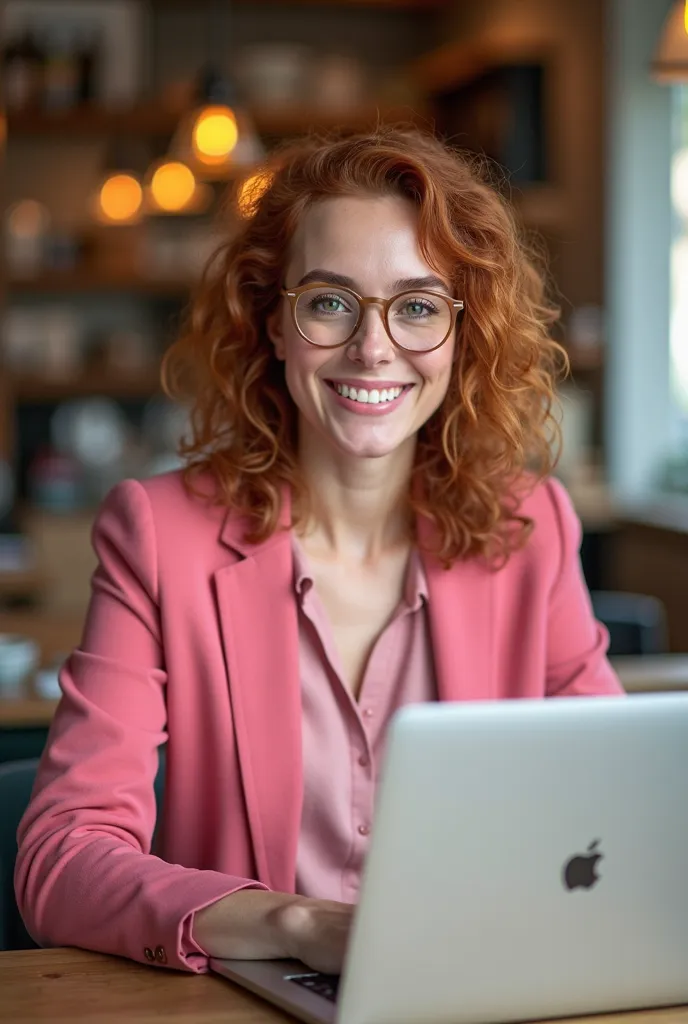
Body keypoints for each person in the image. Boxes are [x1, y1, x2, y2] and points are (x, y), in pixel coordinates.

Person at [15, 127, 623, 977]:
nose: (373, 348)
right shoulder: (159, 537)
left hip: (480, 984)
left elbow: (618, 806)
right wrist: (297, 923)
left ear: (462, 331)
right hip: (254, 999)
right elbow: (62, 860)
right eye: (331, 301)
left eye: (417, 306)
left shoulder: (530, 530)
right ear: (274, 322)